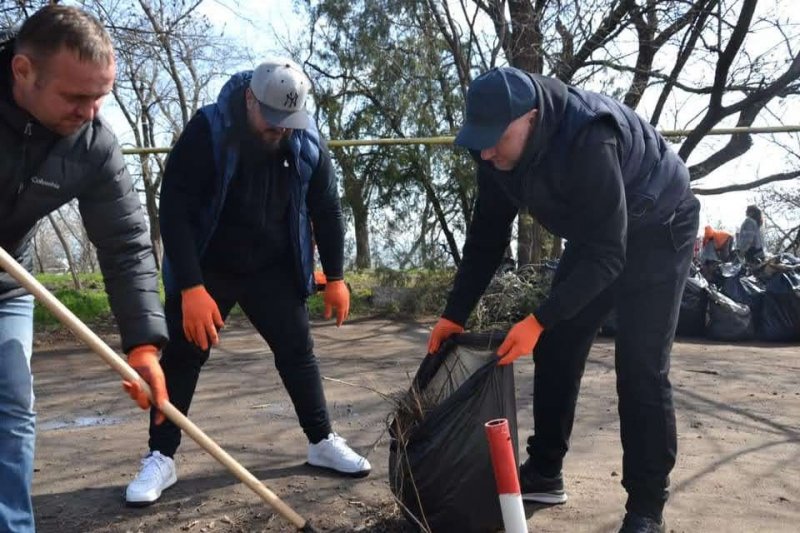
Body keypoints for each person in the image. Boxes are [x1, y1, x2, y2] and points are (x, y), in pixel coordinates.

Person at [427, 67, 700, 533]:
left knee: (640, 366)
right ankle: (546, 471)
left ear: (531, 118)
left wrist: (537, 319)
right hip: (598, 233)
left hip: (659, 229)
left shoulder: (589, 138)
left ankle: (646, 508)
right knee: (557, 344)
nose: (487, 152)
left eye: (496, 139)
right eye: (479, 142)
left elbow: (610, 257)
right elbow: (486, 238)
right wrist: (454, 314)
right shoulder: (492, 154)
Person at [124, 58, 371, 506]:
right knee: (183, 357)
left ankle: (321, 441)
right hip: (210, 265)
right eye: (272, 120)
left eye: (288, 122)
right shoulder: (209, 130)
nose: (279, 130)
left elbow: (327, 209)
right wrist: (191, 287)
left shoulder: (306, 138)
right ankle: (161, 457)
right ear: (250, 100)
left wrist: (336, 276)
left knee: (298, 351)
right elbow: (174, 208)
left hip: (272, 265)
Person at [0, 6, 169, 531]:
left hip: (7, 281)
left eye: (101, 96)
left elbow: (125, 245)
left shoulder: (93, 145)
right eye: (76, 97)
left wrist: (143, 346)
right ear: (22, 71)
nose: (91, 112)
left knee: (11, 405)